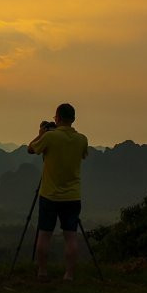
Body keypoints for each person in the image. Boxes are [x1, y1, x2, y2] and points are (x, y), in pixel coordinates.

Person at [27, 103, 90, 281]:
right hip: (72, 195)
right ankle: (69, 275)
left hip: (49, 195)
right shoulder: (82, 139)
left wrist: (41, 134)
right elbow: (83, 155)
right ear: (73, 119)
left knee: (45, 234)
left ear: (58, 118)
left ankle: (42, 272)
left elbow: (30, 149)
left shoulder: (50, 137)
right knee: (70, 236)